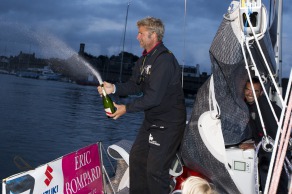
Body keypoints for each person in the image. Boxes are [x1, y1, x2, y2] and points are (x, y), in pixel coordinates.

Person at [98, 16, 186, 194]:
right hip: (151, 120)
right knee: (137, 159)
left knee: (156, 171)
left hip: (169, 123)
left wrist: (125, 108)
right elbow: (134, 85)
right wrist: (113, 88)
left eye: (141, 33)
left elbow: (153, 98)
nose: (137, 37)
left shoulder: (165, 61)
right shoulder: (144, 59)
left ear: (153, 35)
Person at [239, 77, 288, 193]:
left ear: (260, 93)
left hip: (275, 154)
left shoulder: (265, 107)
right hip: (267, 153)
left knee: (272, 187)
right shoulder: (250, 106)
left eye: (254, 91)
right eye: (247, 89)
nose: (249, 93)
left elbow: (276, 137)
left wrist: (255, 145)